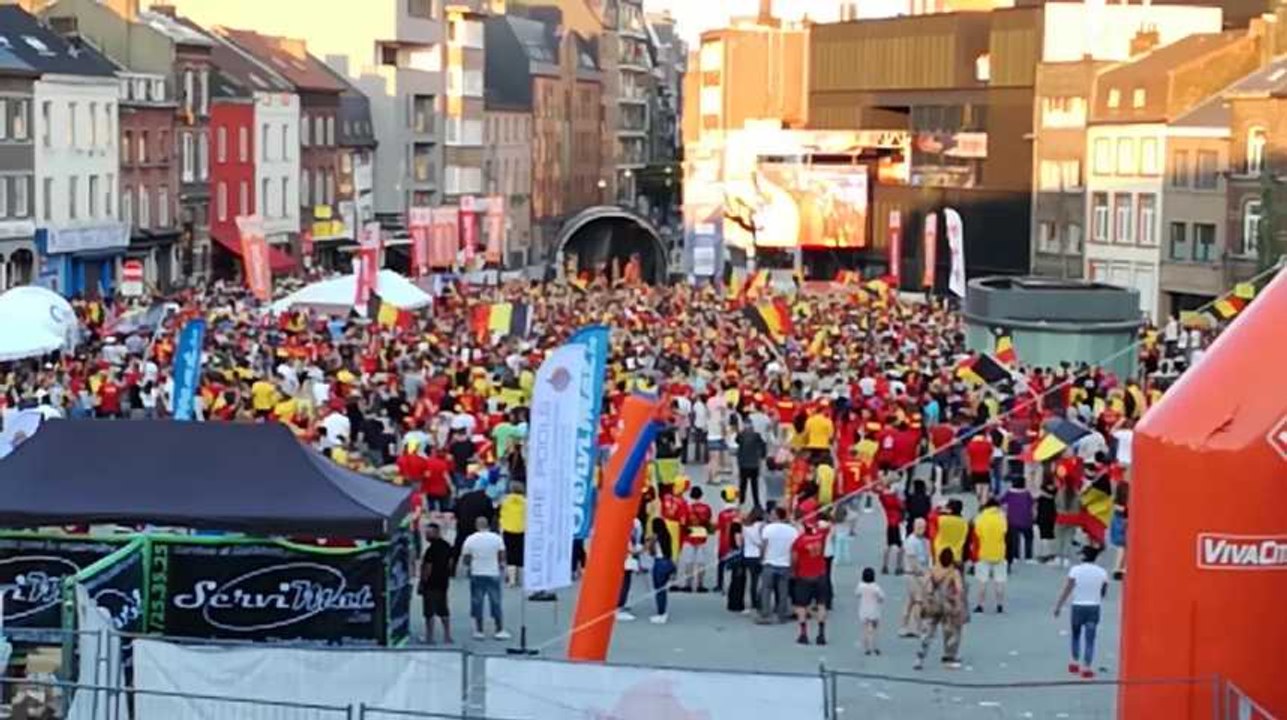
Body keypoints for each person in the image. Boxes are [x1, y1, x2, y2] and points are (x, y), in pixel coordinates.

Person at [1054, 546, 1110, 679]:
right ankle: (1087, 667)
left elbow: (1067, 589)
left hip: (1078, 606)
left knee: (1076, 635)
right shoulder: (1102, 572)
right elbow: (1103, 592)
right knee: (1090, 639)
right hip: (1093, 607)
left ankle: (1075, 662)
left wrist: (1059, 606)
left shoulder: (1075, 570)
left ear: (1083, 557)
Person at [460, 516, 510, 640]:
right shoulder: (496, 538)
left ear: (476, 526)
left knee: (477, 602)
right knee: (496, 602)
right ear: (488, 525)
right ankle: (499, 629)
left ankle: (479, 630)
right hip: (493, 572)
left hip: (477, 572)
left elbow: (466, 558)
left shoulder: (470, 539)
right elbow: (502, 556)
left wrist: (469, 566)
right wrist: (503, 568)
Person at [915, 548, 965, 670]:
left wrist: (924, 600)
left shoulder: (933, 570)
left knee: (928, 632)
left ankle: (920, 657)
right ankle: (949, 656)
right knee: (950, 632)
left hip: (933, 604)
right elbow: (959, 590)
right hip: (948, 605)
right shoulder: (953, 572)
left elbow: (924, 584)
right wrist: (959, 605)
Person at [790, 520, 829, 645]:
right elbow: (827, 525)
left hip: (804, 576)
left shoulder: (799, 542)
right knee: (821, 604)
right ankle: (821, 633)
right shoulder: (820, 536)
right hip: (820, 575)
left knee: (801, 605)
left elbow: (794, 559)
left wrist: (793, 571)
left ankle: (803, 633)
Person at [757, 505, 797, 624]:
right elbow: (794, 550)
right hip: (785, 564)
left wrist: (761, 558)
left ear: (775, 516)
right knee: (783, 591)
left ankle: (765, 614)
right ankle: (782, 614)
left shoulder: (768, 529)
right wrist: (793, 565)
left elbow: (764, 545)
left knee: (766, 590)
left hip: (769, 562)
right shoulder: (792, 531)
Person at [417, 522, 454, 644]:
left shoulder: (430, 550)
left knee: (429, 612)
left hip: (431, 583)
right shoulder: (447, 546)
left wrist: (422, 582)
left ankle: (430, 637)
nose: (426, 536)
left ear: (437, 533)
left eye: (429, 533)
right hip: (443, 582)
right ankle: (447, 636)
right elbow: (451, 563)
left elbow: (428, 568)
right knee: (443, 609)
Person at [972, 497, 1008, 614]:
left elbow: (977, 533)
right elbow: (1004, 531)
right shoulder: (1002, 517)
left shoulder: (981, 517)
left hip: (984, 552)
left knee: (982, 581)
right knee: (999, 581)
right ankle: (999, 605)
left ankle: (980, 605)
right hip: (999, 552)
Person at [899, 517, 931, 638]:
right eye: (919, 527)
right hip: (913, 574)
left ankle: (905, 626)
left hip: (919, 573)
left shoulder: (924, 541)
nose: (921, 530)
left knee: (910, 601)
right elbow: (913, 562)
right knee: (918, 601)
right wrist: (924, 574)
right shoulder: (911, 541)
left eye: (923, 527)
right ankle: (916, 627)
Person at [647, 517, 677, 624]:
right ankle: (662, 612)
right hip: (668, 561)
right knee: (663, 589)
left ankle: (661, 613)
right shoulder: (667, 535)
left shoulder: (656, 537)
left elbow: (651, 552)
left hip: (659, 563)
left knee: (659, 590)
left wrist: (650, 542)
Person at [1002, 475, 1035, 567]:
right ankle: (1028, 556)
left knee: (1014, 539)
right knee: (1029, 538)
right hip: (1026, 520)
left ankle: (1016, 555)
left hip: (1012, 520)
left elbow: (1001, 501)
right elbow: (1032, 504)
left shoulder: (1009, 493)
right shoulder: (1027, 493)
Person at [498, 481, 526, 588]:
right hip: (522, 530)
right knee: (520, 554)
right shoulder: (526, 502)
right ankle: (521, 579)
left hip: (508, 529)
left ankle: (512, 580)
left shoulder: (505, 500)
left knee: (510, 555)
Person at [617, 515, 644, 621]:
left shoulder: (636, 522)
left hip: (629, 557)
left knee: (626, 581)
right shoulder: (626, 522)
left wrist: (636, 547)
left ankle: (621, 604)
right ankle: (618, 607)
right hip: (623, 555)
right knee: (622, 583)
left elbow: (637, 538)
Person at [735, 419, 766, 509]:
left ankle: (741, 500)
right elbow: (763, 445)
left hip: (743, 463)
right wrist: (762, 455)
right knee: (754, 484)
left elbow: (736, 441)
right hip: (754, 464)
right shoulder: (757, 435)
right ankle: (756, 502)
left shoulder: (741, 435)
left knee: (743, 483)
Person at [855, 567, 886, 656]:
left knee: (865, 629)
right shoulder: (876, 587)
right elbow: (882, 597)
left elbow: (857, 594)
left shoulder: (861, 586)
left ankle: (867, 648)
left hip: (863, 611)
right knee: (875, 630)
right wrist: (879, 600)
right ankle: (875, 647)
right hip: (874, 611)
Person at [876, 479, 904, 575]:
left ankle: (885, 566)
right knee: (900, 547)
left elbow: (880, 493)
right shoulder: (894, 497)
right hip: (896, 524)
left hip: (889, 523)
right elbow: (901, 506)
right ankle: (898, 567)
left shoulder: (884, 497)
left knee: (888, 545)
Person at [740, 507, 765, 614]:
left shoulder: (746, 527)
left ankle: (751, 603)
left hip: (748, 555)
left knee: (752, 581)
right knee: (761, 581)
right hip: (759, 555)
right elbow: (760, 541)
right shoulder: (762, 526)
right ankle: (759, 601)